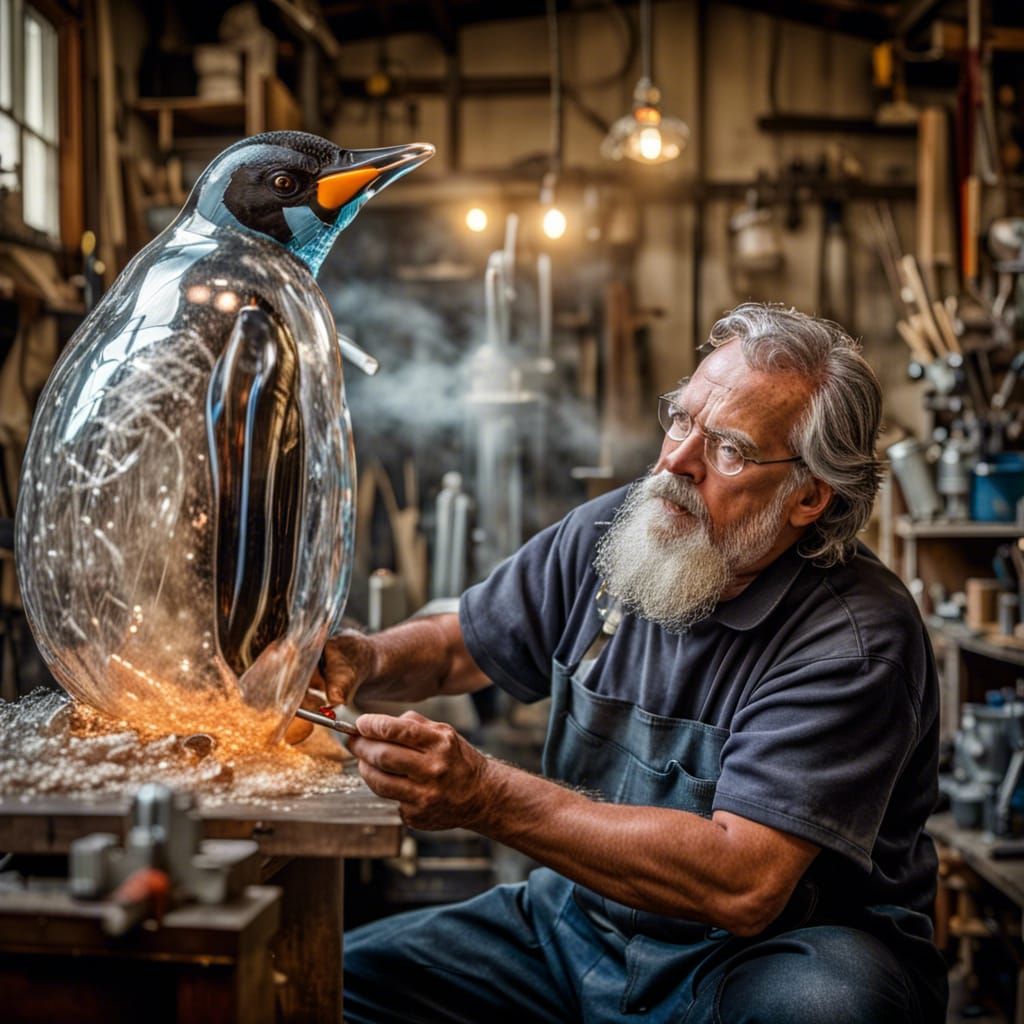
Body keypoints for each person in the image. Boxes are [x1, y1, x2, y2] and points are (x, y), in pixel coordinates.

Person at [291, 303, 947, 1023]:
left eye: (727, 449)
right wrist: (363, 656)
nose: (675, 461)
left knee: (823, 1010)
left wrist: (486, 795)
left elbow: (742, 883)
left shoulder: (854, 640)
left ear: (809, 498)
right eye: (680, 420)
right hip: (582, 929)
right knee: (329, 984)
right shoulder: (623, 528)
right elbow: (458, 648)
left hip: (763, 957)